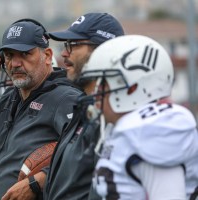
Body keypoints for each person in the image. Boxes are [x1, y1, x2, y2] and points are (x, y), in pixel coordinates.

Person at [0, 18, 82, 200]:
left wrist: (38, 182)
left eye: (25, 54)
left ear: (47, 56)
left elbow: (85, 153)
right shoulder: (11, 98)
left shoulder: (64, 98)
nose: (15, 63)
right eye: (9, 55)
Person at [79, 35, 198, 199]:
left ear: (133, 88)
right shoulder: (124, 128)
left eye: (104, 83)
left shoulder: (154, 130)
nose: (97, 92)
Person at [43, 13, 124, 200]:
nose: (64, 53)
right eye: (66, 45)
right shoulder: (84, 109)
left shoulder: (114, 117)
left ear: (103, 51)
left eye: (74, 44)